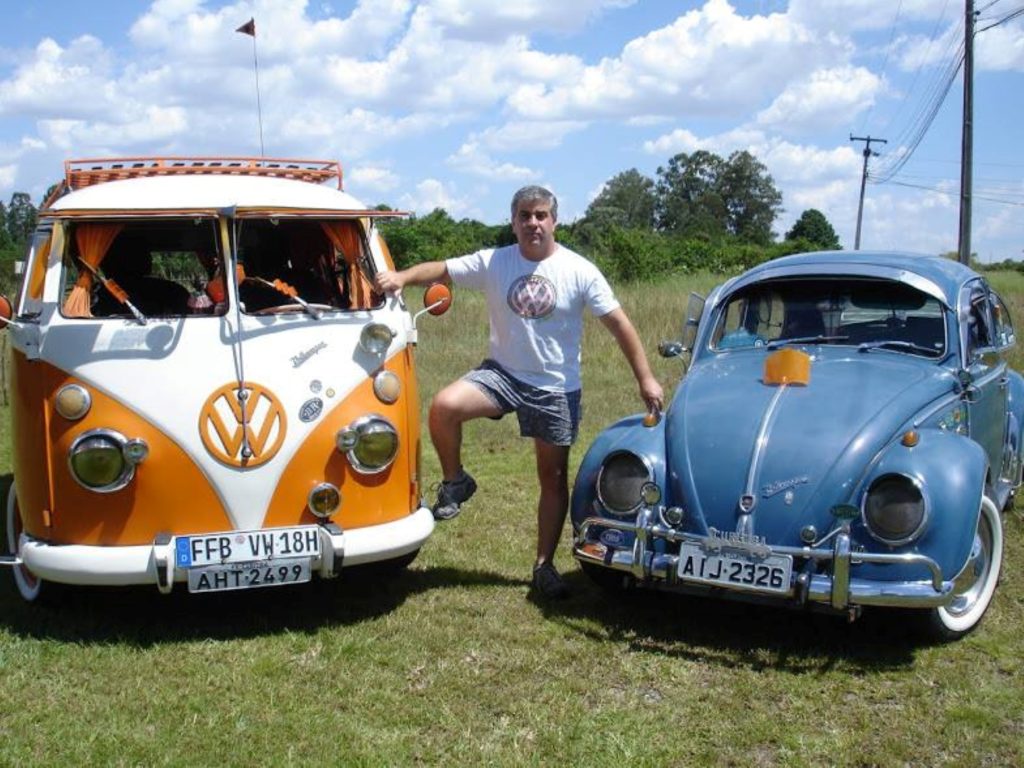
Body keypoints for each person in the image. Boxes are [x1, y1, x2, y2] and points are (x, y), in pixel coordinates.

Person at [374, 186, 663, 599]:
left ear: (554, 221)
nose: (533, 223)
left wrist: (646, 378)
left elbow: (619, 324)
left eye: (541, 215)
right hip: (502, 374)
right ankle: (456, 481)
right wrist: (401, 277)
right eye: (525, 215)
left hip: (555, 387)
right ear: (513, 221)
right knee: (443, 407)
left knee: (552, 476)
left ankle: (543, 566)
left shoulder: (579, 270)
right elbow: (441, 269)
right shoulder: (495, 262)